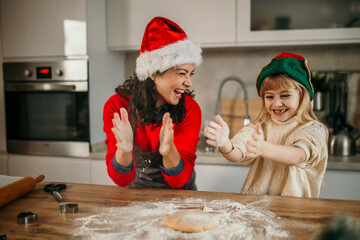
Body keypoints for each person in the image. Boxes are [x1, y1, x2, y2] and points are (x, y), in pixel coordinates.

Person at [205, 52, 328, 197]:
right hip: (257, 206)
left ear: (302, 96)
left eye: (285, 95)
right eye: (269, 96)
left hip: (295, 209)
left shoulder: (313, 129)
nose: (276, 103)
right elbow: (236, 154)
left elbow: (299, 156)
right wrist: (225, 144)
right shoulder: (260, 128)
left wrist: (263, 148)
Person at [103, 16, 202, 189]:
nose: (189, 83)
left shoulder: (190, 109)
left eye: (190, 74)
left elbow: (179, 180)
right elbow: (121, 180)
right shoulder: (118, 106)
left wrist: (169, 150)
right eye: (181, 73)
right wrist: (124, 150)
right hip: (135, 198)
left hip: (182, 198)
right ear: (154, 72)